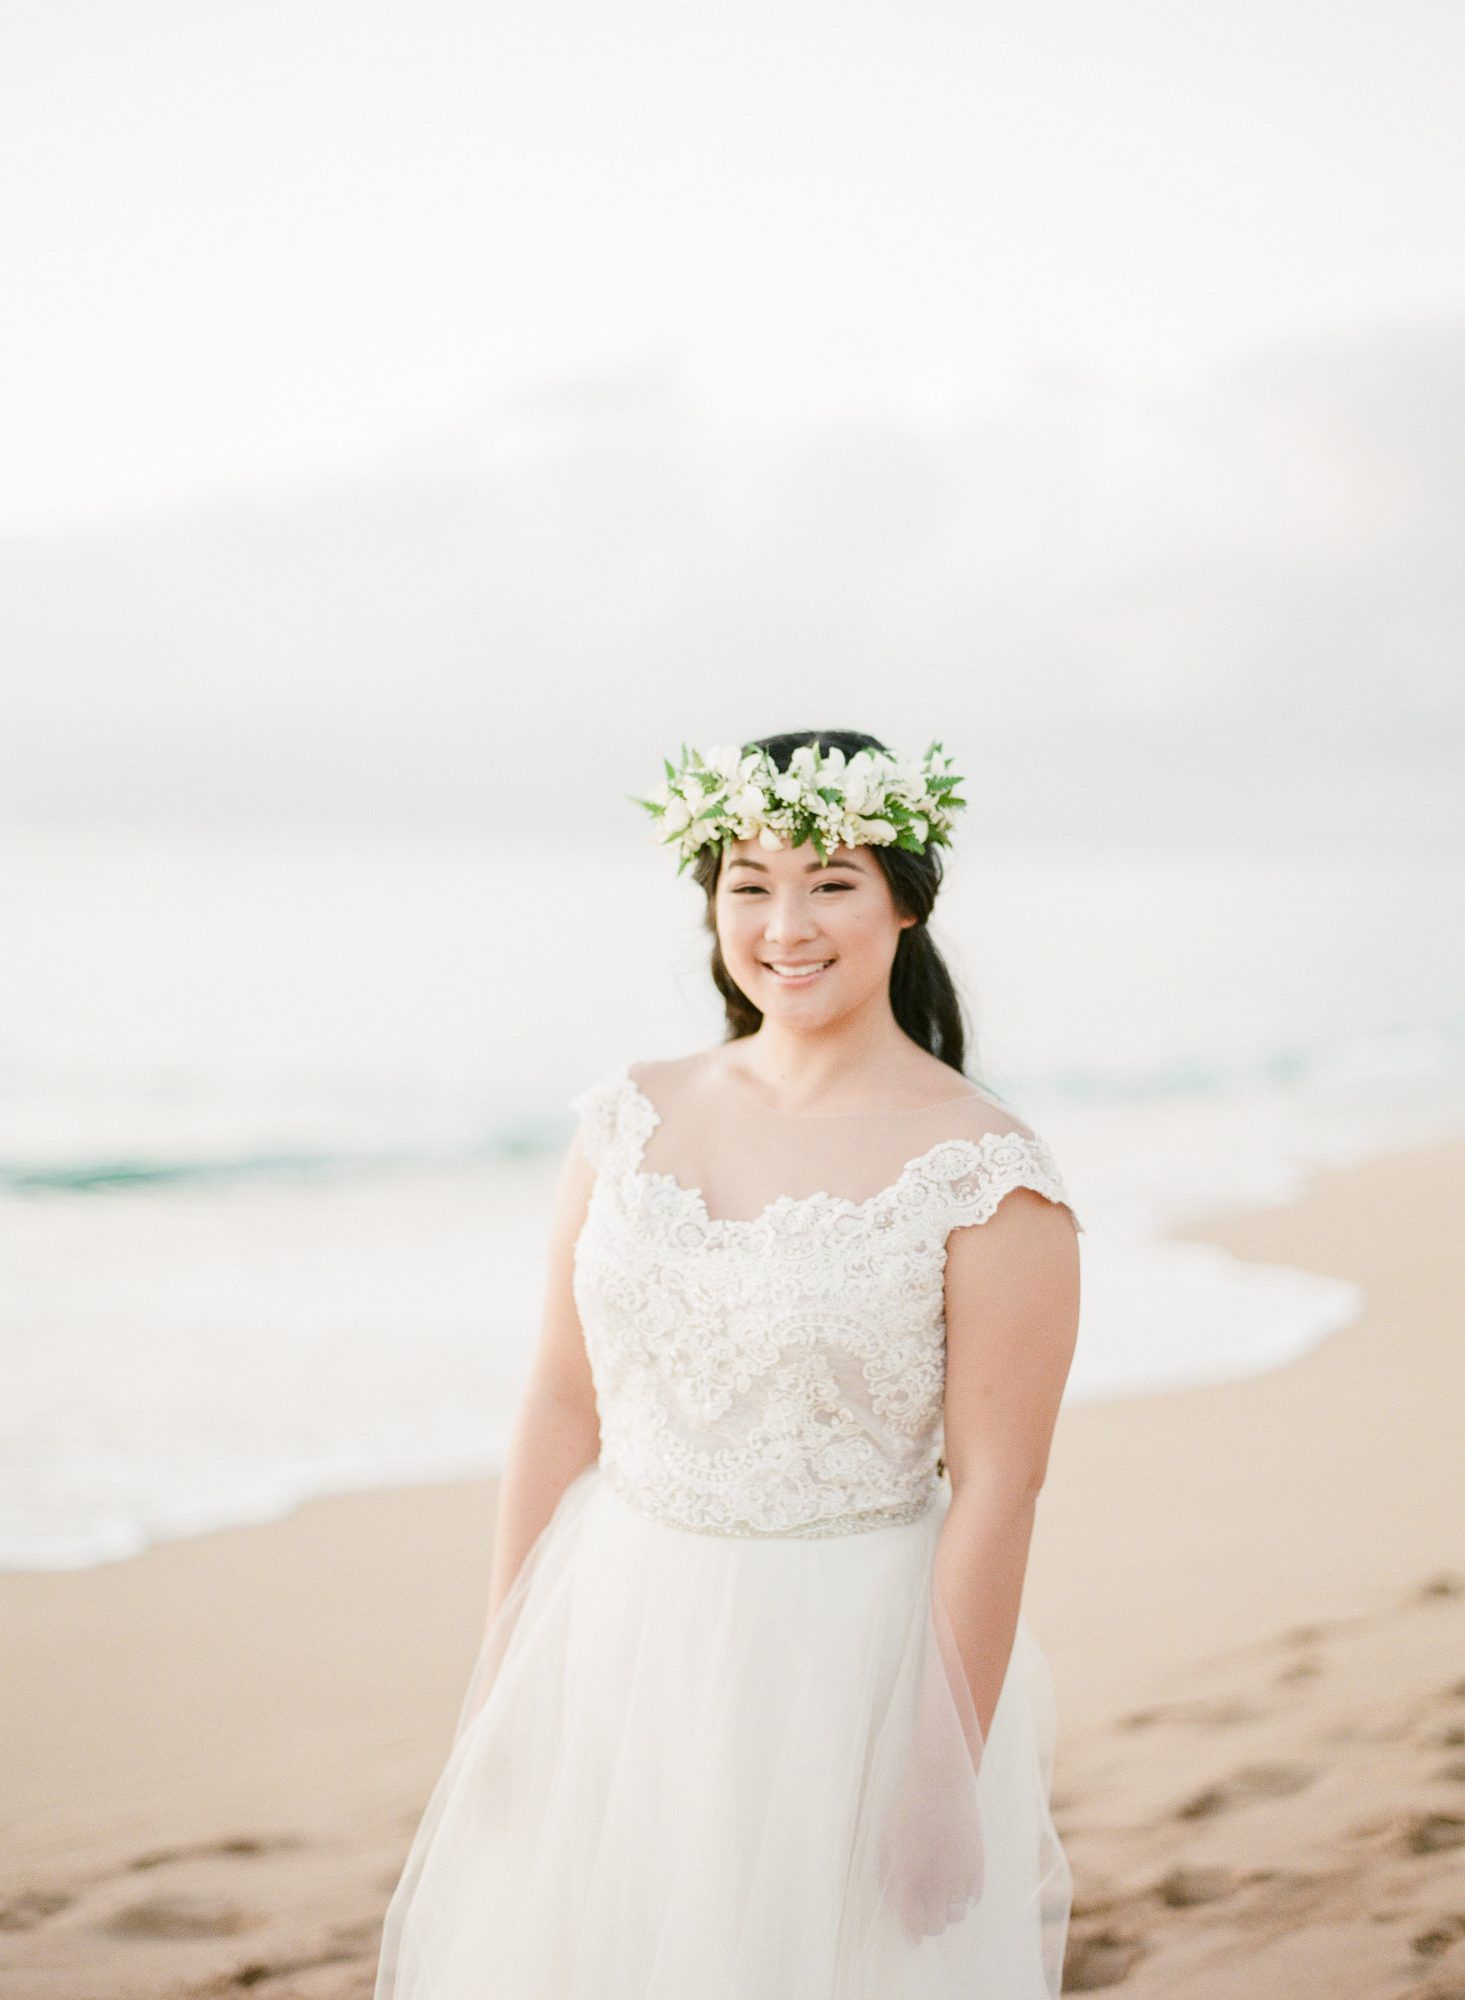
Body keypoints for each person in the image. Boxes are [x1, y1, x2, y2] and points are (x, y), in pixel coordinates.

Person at [373, 727, 1083, 1999]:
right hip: (615, 1626)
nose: (785, 923)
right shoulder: (627, 1115)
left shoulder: (988, 1171)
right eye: (748, 882)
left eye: (830, 880)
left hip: (841, 1661)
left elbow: (998, 1483)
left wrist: (940, 1759)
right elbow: (558, 1396)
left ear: (905, 901)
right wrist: (504, 1670)